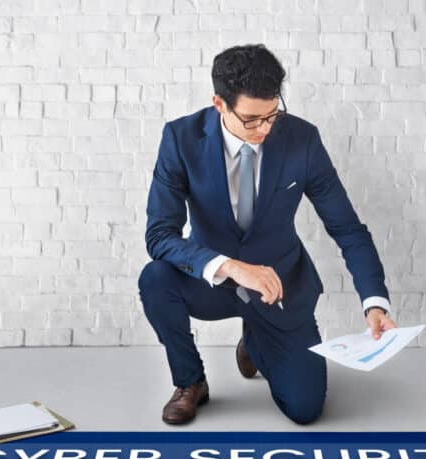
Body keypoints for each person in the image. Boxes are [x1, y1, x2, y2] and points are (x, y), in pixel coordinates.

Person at [138, 44, 396, 426]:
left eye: (273, 115)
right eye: (252, 119)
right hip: (213, 282)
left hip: (280, 288)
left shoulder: (302, 140)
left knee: (306, 409)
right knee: (155, 278)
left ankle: (257, 343)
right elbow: (160, 234)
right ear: (220, 104)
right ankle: (190, 381)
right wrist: (232, 267)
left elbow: (347, 229)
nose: (265, 129)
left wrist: (375, 302)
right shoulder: (180, 138)